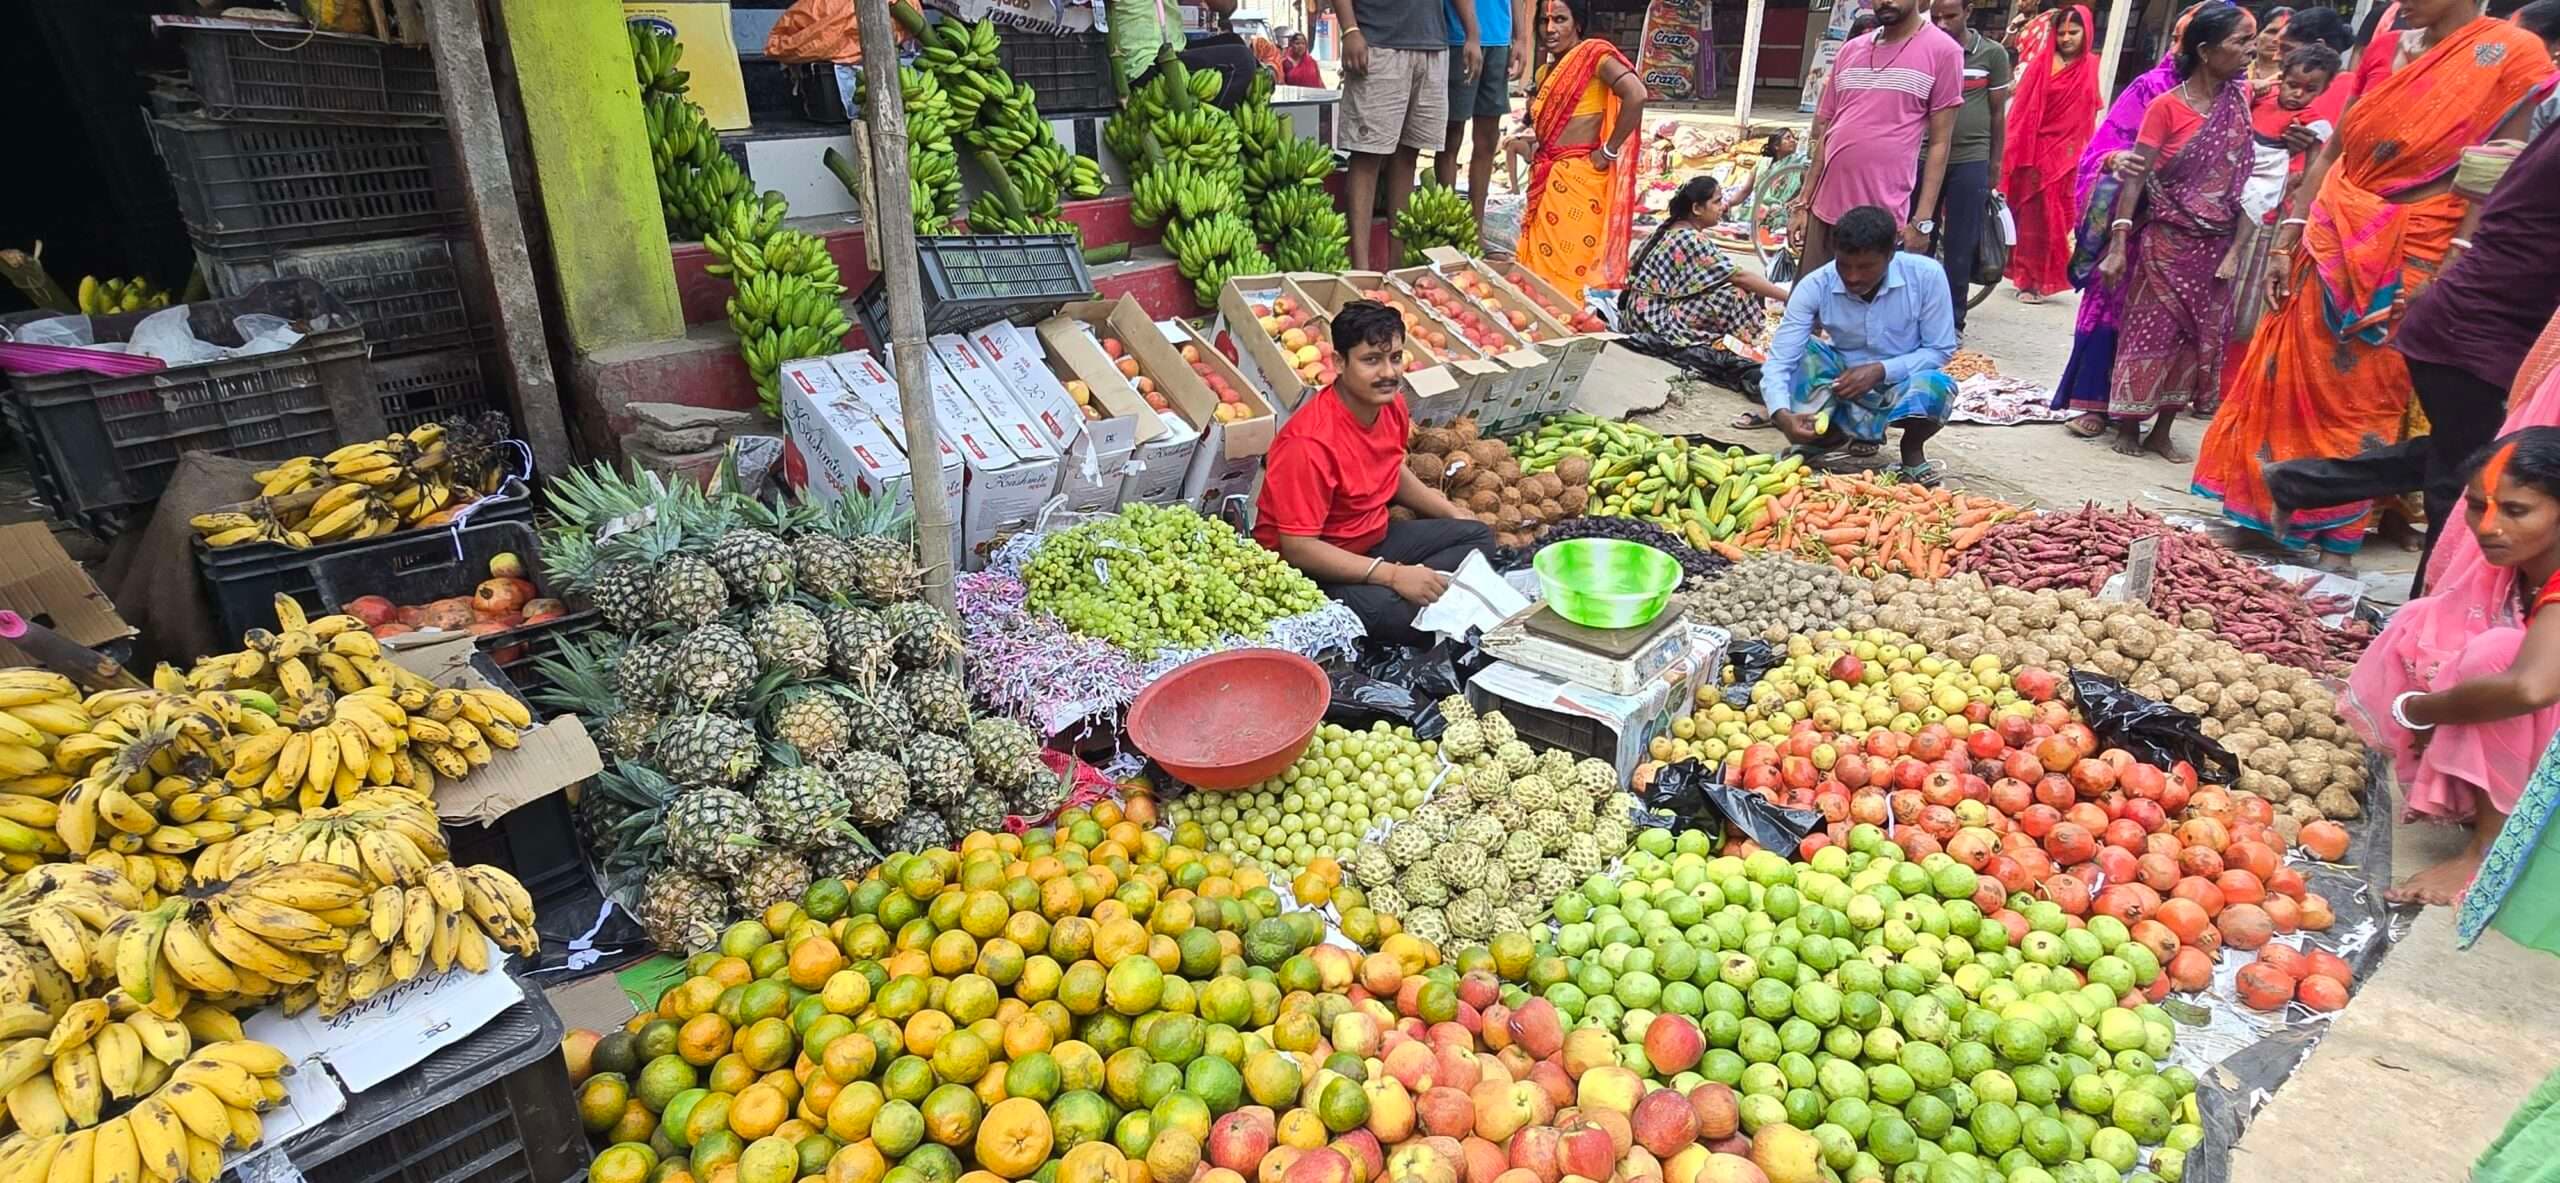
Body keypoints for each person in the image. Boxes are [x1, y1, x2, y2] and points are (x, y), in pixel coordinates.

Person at [2191, 0, 2555, 557]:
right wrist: (2290, 232)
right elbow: (2338, 142)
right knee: (2286, 375)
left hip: (2419, 244)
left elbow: (2496, 166)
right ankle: (2262, 512)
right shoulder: (2385, 46)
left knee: (2366, 398)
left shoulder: (2512, 54)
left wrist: (2455, 258)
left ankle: (2332, 530)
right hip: (2331, 230)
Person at [2348, 429, 2560, 905]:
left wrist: (2424, 709)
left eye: (2515, 511)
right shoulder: (2514, 567)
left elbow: (2530, 688)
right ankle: (2484, 803)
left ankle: (2487, 852)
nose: (2487, 527)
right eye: (2477, 505)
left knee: (2496, 658)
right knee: (2426, 621)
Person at [1254, 301, 1495, 648]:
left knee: (1476, 537)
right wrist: (1393, 575)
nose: (1388, 372)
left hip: (1372, 541)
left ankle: (1422, 596)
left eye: (1395, 358)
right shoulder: (1308, 444)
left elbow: (1391, 469)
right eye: (1371, 360)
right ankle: (1415, 601)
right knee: (1395, 613)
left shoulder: (1391, 405)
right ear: (1339, 363)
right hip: (1311, 570)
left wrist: (1451, 514)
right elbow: (1299, 549)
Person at [2082, 4, 2257, 459]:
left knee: (2195, 340)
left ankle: (2163, 429)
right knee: (2149, 334)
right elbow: (2136, 176)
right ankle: (2127, 423)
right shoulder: (2165, 105)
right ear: (2205, 50)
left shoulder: (2240, 105)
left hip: (2216, 245)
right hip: (2165, 240)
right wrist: (2118, 244)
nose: (2250, 50)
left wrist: (2237, 250)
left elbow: (2246, 186)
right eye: (2240, 40)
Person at [2048, 2, 2215, 429]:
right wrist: (2119, 162)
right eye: (2175, 37)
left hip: (2192, 232)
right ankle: (2095, 405)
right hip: (2136, 219)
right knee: (2110, 303)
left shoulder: (2233, 100)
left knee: (2173, 322)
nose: (2176, 48)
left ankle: (2153, 416)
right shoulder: (2151, 89)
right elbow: (2103, 149)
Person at [1759, 205, 1961, 482]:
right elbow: (1781, 359)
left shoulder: (1926, 276)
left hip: (1901, 382)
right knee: (1802, 354)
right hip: (1843, 383)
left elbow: (1940, 349)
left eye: (1866, 267)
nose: (1853, 277)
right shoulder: (1815, 285)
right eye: (1844, 265)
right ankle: (1828, 435)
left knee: (1936, 386)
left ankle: (1911, 448)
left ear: (1891, 254)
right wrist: (1781, 415)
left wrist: (1880, 370)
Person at [1788, 0, 1965, 274]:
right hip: (1824, 211)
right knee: (1811, 308)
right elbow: (1828, 131)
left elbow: (1941, 143)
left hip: (1880, 218)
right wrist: (1803, 204)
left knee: (1866, 309)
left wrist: (1922, 221)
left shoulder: (1944, 52)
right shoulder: (1850, 51)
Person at [1327, 0, 1482, 270]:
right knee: (1367, 156)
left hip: (1432, 45)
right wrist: (1350, 29)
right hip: (1378, 44)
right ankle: (1361, 271)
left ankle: (1398, 269)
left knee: (1408, 156)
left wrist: (1473, 33)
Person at [1516, 0, 1647, 300]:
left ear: (1578, 23)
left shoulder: (1594, 56)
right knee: (1536, 279)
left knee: (1566, 277)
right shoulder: (1543, 74)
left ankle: (1566, 335)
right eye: (1543, 21)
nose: (1550, 29)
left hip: (1580, 178)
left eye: (1560, 19)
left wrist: (1609, 151)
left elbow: (1636, 95)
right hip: (1546, 177)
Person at [1621, 176, 1793, 394]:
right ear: (1697, 208)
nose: (1722, 207)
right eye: (1717, 202)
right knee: (1737, 294)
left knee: (1724, 289)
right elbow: (1740, 277)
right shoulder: (1690, 238)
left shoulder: (1670, 229)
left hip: (1637, 312)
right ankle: (1746, 348)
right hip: (1651, 319)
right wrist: (1790, 297)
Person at [1999, 3, 2101, 304]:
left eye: (2074, 32)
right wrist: (2015, 153)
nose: (2067, 38)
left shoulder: (2092, 66)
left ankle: (2045, 277)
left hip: (2068, 156)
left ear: (2087, 32)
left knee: (2057, 221)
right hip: (2035, 153)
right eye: (2062, 33)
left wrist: (2085, 155)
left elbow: (2087, 115)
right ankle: (2028, 280)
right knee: (2031, 219)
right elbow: (2020, 113)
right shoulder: (2041, 64)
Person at [1927, 0, 2012, 332]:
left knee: (1960, 246)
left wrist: (1995, 162)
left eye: (1950, 16)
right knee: (1919, 239)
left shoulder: (1991, 55)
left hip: (1970, 158)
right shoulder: (1927, 50)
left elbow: (1996, 115)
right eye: (1936, 18)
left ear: (1968, 12)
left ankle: (1953, 323)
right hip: (1925, 156)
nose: (1943, 24)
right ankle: (1916, 318)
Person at [1436, 0, 1530, 233]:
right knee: (1451, 137)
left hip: (1499, 38)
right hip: (1458, 38)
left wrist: (1520, 38)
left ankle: (1475, 229)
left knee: (1488, 140)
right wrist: (1472, 35)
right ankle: (1446, 227)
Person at [2246, 5, 2293, 91]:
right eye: (2272, 32)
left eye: (2286, 33)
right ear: (2256, 34)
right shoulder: (2234, 71)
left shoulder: (2297, 79)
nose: (2277, 39)